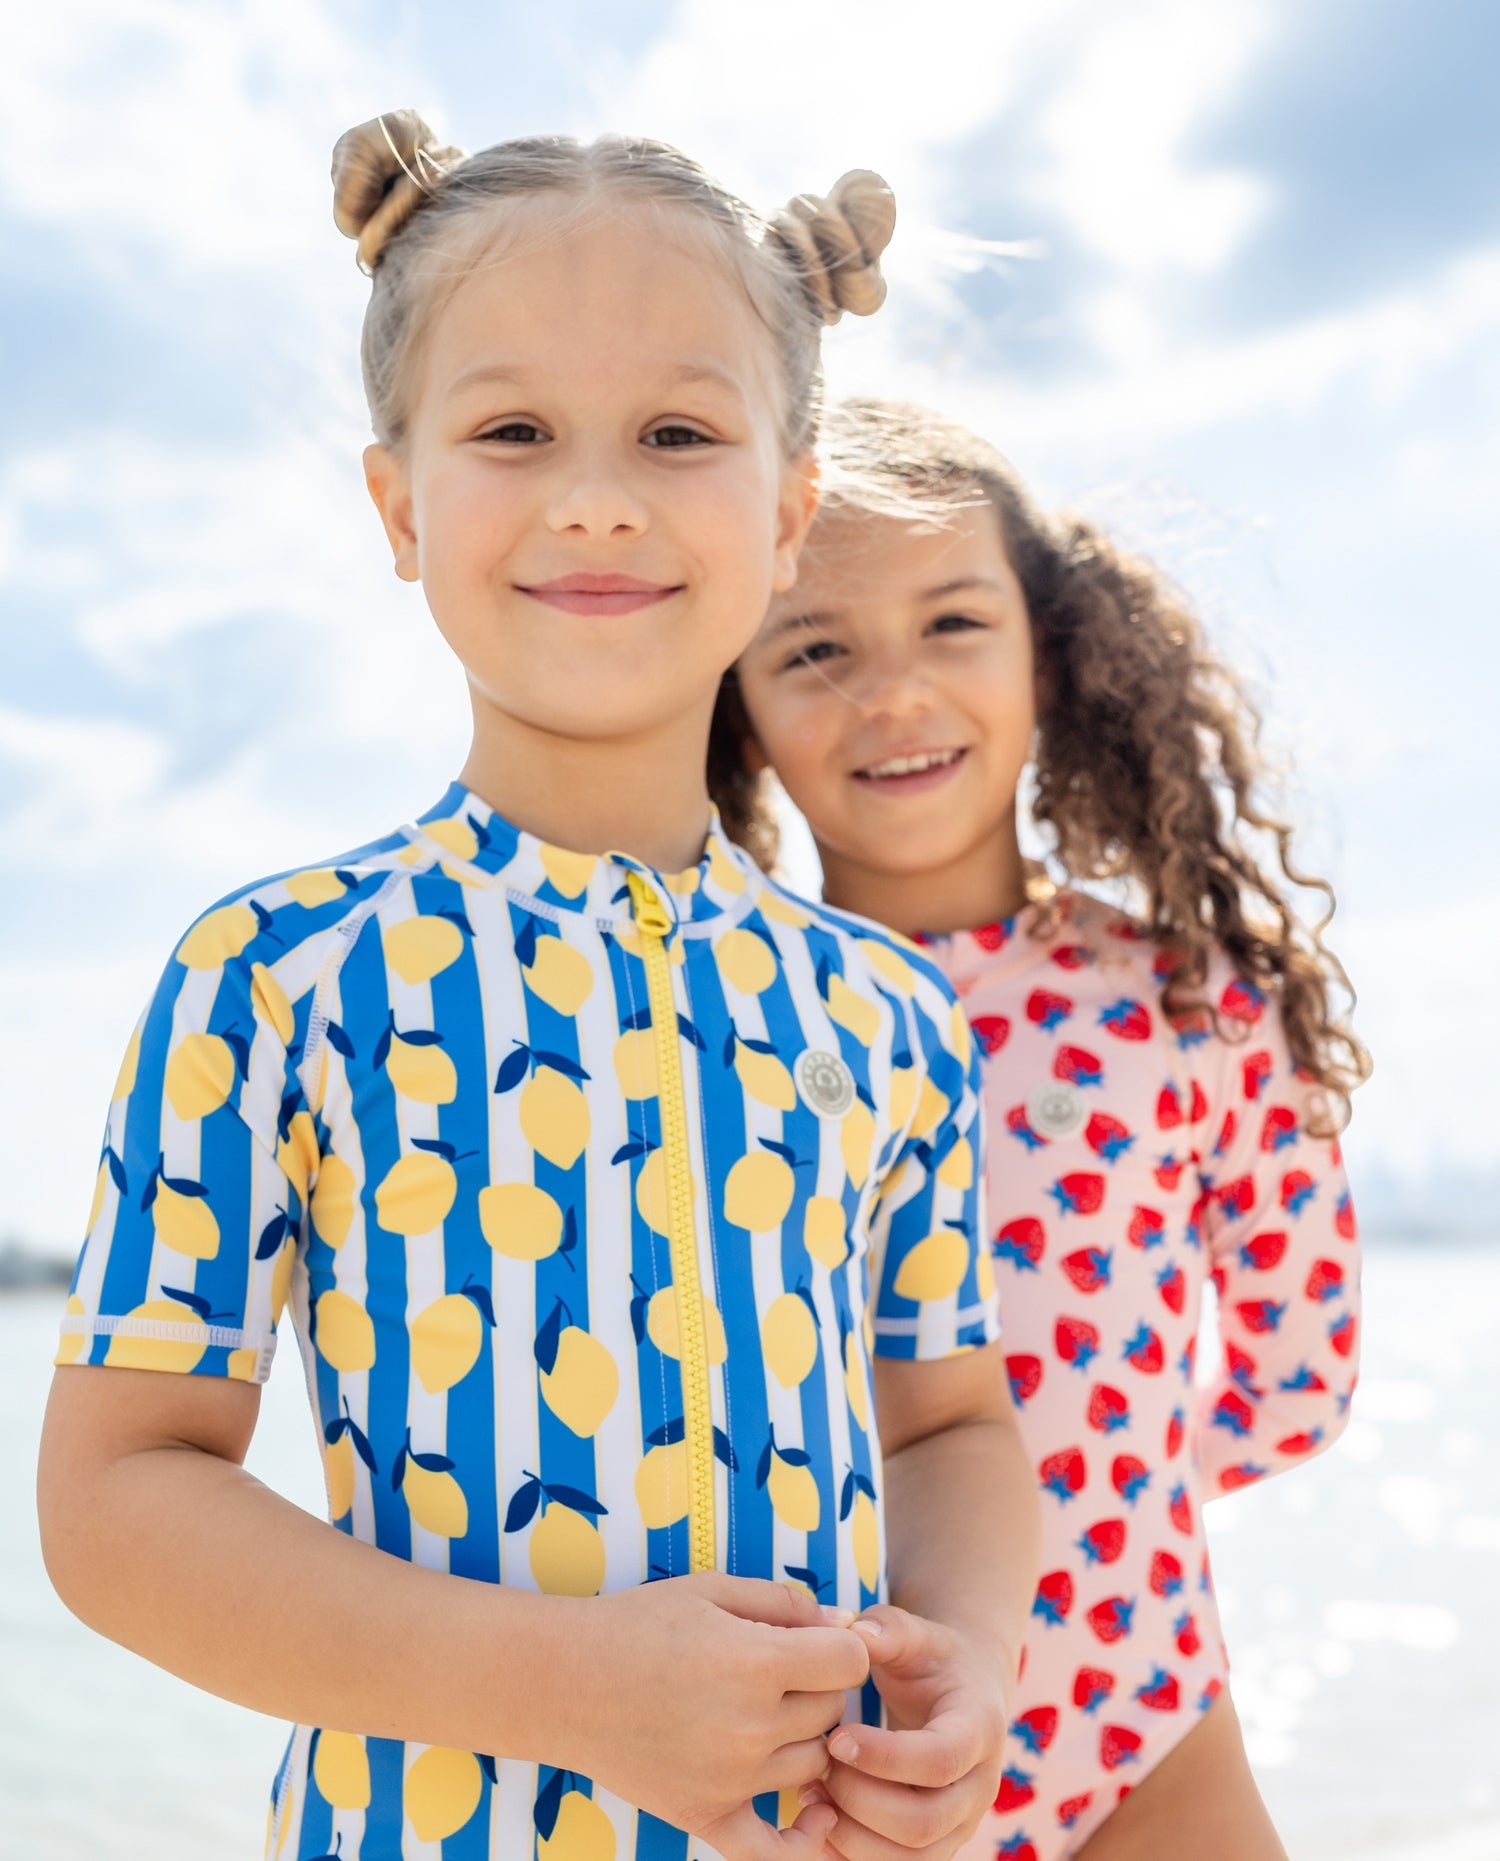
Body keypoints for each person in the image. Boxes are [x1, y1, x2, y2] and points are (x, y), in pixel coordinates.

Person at [37, 128, 1041, 1861]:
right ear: (400, 507)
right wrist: (567, 1685)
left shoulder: (886, 1016)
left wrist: (965, 1661)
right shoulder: (276, 978)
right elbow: (118, 1501)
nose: (597, 495)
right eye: (514, 431)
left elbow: (949, 1417)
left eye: (678, 432)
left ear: (789, 510)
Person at [717, 397, 1370, 1861]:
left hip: (1149, 1743)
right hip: (840, 1772)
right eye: (815, 646)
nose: (892, 692)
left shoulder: (1200, 998)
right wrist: (1113, 1498)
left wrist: (1111, 1503)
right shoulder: (716, 1022)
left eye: (952, 622)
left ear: (1050, 651)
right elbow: (1289, 1389)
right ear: (731, 705)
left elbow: (1301, 1368)